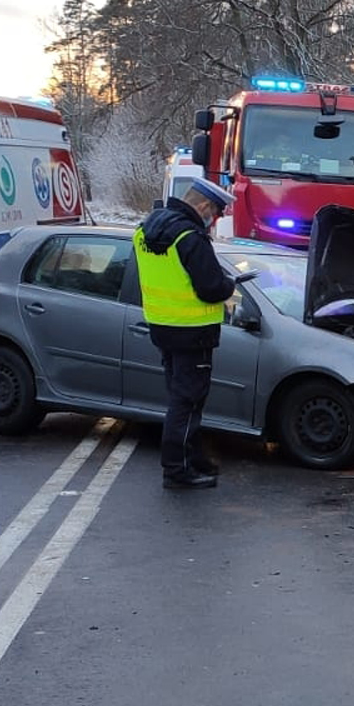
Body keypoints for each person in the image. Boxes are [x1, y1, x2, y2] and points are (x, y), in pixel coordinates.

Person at [135, 177, 237, 489]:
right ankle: (178, 470)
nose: (214, 219)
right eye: (216, 213)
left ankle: (192, 459)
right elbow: (210, 288)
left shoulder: (145, 231)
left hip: (162, 327)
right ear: (204, 206)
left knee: (180, 398)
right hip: (193, 334)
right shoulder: (190, 237)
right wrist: (230, 284)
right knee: (187, 403)